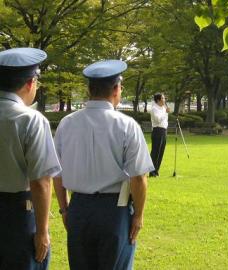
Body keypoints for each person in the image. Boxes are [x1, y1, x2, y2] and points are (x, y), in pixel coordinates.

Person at [53, 60, 154, 270]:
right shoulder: (127, 125)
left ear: (89, 89)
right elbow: (138, 177)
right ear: (116, 89)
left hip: (79, 208)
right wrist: (138, 216)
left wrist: (64, 209)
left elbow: (57, 173)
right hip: (114, 210)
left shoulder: (67, 123)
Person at [0, 48, 62, 269]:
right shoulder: (31, 120)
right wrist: (42, 231)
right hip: (17, 214)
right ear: (30, 83)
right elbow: (41, 181)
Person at [149, 93, 170, 177]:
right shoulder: (154, 109)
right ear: (158, 100)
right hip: (157, 130)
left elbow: (165, 121)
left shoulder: (163, 108)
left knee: (161, 152)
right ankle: (152, 172)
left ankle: (156, 171)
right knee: (155, 152)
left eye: (164, 98)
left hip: (163, 131)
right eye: (163, 98)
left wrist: (165, 112)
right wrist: (165, 113)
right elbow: (158, 120)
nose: (164, 100)